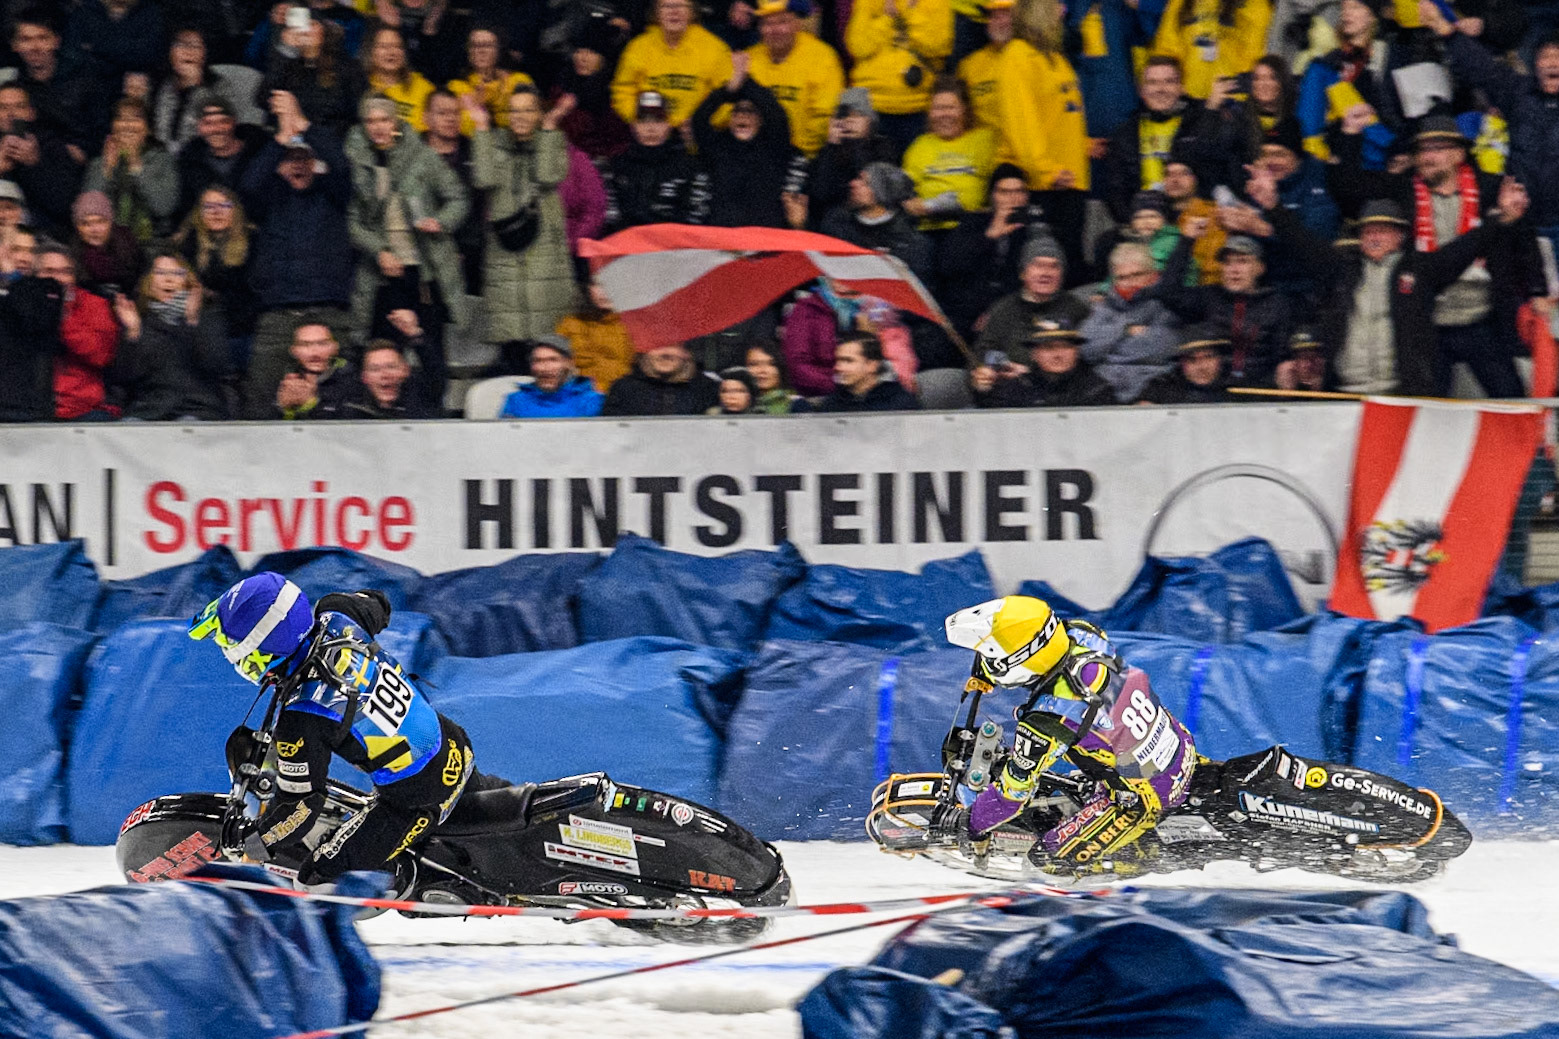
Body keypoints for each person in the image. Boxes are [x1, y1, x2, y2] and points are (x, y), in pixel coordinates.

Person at [188, 573, 493, 886]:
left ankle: (402, 879)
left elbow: (300, 810)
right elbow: (379, 602)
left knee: (313, 878)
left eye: (232, 647)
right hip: (453, 744)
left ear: (263, 647)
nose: (231, 656)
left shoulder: (302, 715)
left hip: (417, 800)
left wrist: (251, 844)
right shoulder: (338, 612)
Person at [937, 595, 1197, 874]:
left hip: (1145, 799)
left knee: (1042, 865)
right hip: (1178, 744)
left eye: (993, 659)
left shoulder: (1046, 720)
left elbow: (1010, 797)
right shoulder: (1082, 634)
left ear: (1019, 662)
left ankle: (1137, 860)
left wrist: (969, 825)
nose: (988, 664)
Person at [1251, 167, 1532, 396]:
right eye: (1368, 230)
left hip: (1401, 397)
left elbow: (1464, 248)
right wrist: (1273, 207)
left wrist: (1500, 218)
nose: (1374, 236)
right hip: (1344, 394)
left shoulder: (1421, 270)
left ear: (1401, 236)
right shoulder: (1339, 268)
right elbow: (1301, 242)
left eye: (1384, 230)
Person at [346, 95, 469, 405]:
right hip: (381, 276)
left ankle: (429, 414)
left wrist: (439, 222)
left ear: (396, 123)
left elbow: (458, 198)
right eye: (371, 121)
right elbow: (353, 222)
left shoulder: (423, 157)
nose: (378, 127)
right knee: (380, 355)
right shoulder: (360, 162)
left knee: (429, 353)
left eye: (384, 120)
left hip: (423, 273)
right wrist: (378, 251)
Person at [238, 95, 353, 419]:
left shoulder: (332, 193)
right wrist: (279, 141)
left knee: (341, 396)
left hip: (329, 309)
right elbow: (247, 185)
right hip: (278, 313)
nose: (298, 164)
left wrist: (303, 125)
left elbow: (341, 164)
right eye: (290, 159)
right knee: (261, 398)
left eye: (305, 159)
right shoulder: (268, 197)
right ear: (279, 164)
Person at [470, 88, 576, 372]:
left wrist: (551, 128)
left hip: (544, 254)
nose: (520, 117)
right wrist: (481, 128)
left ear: (539, 114)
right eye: (514, 110)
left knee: (547, 341)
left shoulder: (553, 142)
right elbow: (482, 178)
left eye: (528, 110)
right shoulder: (493, 142)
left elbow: (547, 175)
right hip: (504, 254)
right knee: (512, 345)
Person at [994, 0, 1089, 278]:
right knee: (1040, 269)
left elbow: (1061, 115)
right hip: (1044, 184)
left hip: (1071, 180)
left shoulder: (1055, 57)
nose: (1062, 11)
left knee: (1068, 268)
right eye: (1055, 5)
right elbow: (1021, 122)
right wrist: (1046, 170)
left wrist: (1084, 146)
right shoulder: (1017, 56)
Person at [1100, 56, 1230, 225]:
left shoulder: (1201, 123)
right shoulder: (1124, 133)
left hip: (1195, 219)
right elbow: (1115, 191)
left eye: (1169, 81)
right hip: (1144, 223)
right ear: (1141, 90)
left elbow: (1214, 173)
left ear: (1181, 87)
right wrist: (1137, 222)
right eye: (1152, 82)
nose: (1160, 89)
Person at [1156, 225, 1292, 387]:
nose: (1234, 270)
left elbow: (1282, 355)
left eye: (1242, 261)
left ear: (1260, 268)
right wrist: (1186, 242)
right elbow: (1167, 293)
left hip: (1258, 390)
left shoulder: (1276, 303)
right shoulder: (1209, 296)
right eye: (1227, 263)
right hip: (1212, 387)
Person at [107, 250, 230, 421]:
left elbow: (217, 365)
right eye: (160, 273)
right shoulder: (139, 320)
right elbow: (123, 379)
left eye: (177, 273)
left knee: (186, 426)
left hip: (198, 409)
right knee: (129, 426)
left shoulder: (208, 316)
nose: (168, 279)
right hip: (151, 409)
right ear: (149, 283)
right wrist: (134, 333)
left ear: (188, 282)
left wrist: (192, 321)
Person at [937, 163, 1052, 337]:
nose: (1013, 198)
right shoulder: (973, 223)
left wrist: (998, 313)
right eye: (1004, 192)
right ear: (992, 196)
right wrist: (990, 236)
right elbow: (948, 266)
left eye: (1020, 191)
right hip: (966, 312)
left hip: (1015, 310)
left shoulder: (1034, 230)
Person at [692, 54, 795, 228]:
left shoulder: (773, 147)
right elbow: (699, 119)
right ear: (730, 119)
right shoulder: (717, 146)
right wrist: (727, 91)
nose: (742, 115)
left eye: (750, 112)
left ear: (761, 120)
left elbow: (777, 115)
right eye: (737, 111)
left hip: (764, 239)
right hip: (723, 240)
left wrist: (746, 80)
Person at [843, 0, 953, 153]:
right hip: (872, 106)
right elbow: (858, 46)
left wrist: (908, 12)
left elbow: (938, 44)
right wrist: (887, 18)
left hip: (917, 107)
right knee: (871, 173)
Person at [1078, 241, 1181, 401]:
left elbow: (1164, 350)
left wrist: (1110, 350)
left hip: (1156, 388)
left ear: (1153, 275)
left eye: (1137, 275)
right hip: (1106, 390)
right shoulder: (1103, 307)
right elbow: (1087, 351)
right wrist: (1125, 330)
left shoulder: (1168, 305)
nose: (1130, 283)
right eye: (1122, 277)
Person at [610, 0, 735, 126]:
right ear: (656, 12)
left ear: (692, 12)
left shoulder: (715, 48)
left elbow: (729, 98)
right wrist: (640, 120)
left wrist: (705, 125)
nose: (674, 11)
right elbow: (622, 91)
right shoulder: (638, 47)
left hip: (700, 137)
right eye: (666, 6)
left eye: (681, 5)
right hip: (650, 134)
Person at [744, 0, 845, 157]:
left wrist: (798, 151)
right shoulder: (748, 59)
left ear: (797, 24)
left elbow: (824, 116)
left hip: (803, 156)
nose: (775, 30)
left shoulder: (823, 57)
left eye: (782, 22)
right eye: (767, 24)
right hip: (753, 154)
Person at [972, 235, 1090, 364]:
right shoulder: (1003, 309)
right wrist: (1002, 366)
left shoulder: (1076, 309)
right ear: (1023, 273)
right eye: (1038, 265)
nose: (1046, 273)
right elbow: (982, 355)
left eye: (1054, 266)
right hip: (1013, 381)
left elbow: (1088, 355)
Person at [900, 76, 997, 230]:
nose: (944, 114)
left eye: (951, 107)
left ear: (965, 110)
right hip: (927, 228)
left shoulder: (984, 140)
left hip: (970, 225)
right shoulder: (920, 145)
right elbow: (904, 189)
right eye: (938, 108)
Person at [603, 90, 706, 230]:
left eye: (658, 120)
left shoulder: (689, 166)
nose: (651, 128)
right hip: (626, 245)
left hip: (676, 247)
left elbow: (696, 219)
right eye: (643, 120)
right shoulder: (615, 166)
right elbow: (610, 219)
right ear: (634, 126)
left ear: (668, 124)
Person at [40, 243, 120, 421]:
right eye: (49, 271)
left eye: (65, 272)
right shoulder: (22, 306)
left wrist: (64, 317)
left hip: (84, 407)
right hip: (35, 405)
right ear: (35, 275)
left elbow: (101, 355)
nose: (59, 279)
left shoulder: (94, 305)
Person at [83, 98, 178, 242]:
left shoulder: (162, 160)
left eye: (135, 118)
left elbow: (164, 207)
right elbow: (88, 210)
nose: (127, 125)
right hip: (108, 245)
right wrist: (106, 169)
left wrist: (136, 165)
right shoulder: (99, 163)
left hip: (151, 244)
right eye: (121, 119)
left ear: (148, 129)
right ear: (113, 127)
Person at [818, 161, 931, 282]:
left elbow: (919, 288)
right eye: (857, 178)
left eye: (865, 183)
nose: (853, 183)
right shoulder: (837, 224)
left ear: (882, 193)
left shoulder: (909, 240)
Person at [0, 82, 83, 238]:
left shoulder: (52, 147)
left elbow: (65, 207)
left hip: (43, 239)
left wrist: (35, 164)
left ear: (31, 112)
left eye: (18, 106)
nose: (10, 113)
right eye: (3, 107)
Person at [0, 228, 64, 421]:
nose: (23, 257)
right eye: (16, 249)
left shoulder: (49, 290)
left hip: (28, 406)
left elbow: (32, 319)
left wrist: (13, 278)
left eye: (30, 251)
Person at [1149, 0, 1270, 101]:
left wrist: (1233, 91)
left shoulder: (1254, 4)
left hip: (1230, 102)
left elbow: (1254, 54)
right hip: (1187, 99)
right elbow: (1166, 49)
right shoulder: (1180, 3)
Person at [970, 323, 1116, 407]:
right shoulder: (1018, 387)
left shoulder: (1098, 389)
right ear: (1034, 354)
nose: (1058, 355)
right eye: (1048, 348)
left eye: (1065, 347)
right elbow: (991, 416)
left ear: (1076, 351)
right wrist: (982, 389)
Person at [176, 98, 267, 221]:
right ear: (199, 127)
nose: (216, 129)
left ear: (234, 122)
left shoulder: (261, 150)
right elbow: (187, 206)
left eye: (223, 121)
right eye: (208, 123)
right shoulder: (190, 160)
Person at [446, 26, 535, 136]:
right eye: (475, 45)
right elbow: (462, 130)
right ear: (468, 51)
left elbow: (530, 120)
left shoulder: (519, 81)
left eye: (487, 45)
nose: (481, 51)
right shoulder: (456, 87)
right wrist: (478, 106)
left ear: (499, 50)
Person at [601, 341, 722, 415]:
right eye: (657, 346)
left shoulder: (707, 388)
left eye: (672, 346)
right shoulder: (624, 388)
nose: (665, 353)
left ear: (686, 353)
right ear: (645, 351)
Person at [499, 335, 605, 417]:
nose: (545, 368)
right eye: (538, 360)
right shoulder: (516, 401)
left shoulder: (592, 402)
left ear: (569, 363)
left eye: (553, 360)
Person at [812, 332, 921, 411]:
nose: (838, 367)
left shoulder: (901, 404)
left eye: (848, 361)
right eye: (838, 361)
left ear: (872, 365)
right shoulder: (832, 402)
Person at [273, 320, 355, 420]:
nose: (314, 352)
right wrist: (283, 408)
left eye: (322, 343)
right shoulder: (276, 380)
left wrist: (310, 404)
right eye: (305, 344)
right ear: (293, 350)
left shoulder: (352, 381)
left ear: (335, 347)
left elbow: (348, 428)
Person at [70, 189, 144, 297]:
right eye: (86, 223)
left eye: (101, 221)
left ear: (111, 222)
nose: (94, 229)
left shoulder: (131, 249)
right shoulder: (71, 258)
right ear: (77, 228)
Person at [362, 24, 437, 131]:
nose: (391, 52)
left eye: (397, 46)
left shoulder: (423, 88)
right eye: (384, 46)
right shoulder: (360, 85)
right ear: (371, 52)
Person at [1135, 325, 1234, 403]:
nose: (1202, 367)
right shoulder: (1159, 391)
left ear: (1220, 359)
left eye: (1209, 357)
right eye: (1192, 360)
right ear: (1181, 363)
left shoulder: (1238, 388)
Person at [342, 339, 438, 419]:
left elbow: (436, 374)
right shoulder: (350, 413)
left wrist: (416, 335)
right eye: (375, 369)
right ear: (364, 378)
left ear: (406, 371)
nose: (384, 375)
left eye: (391, 367)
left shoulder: (422, 405)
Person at [955, 0, 1012, 131]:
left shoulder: (1032, 59)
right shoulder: (969, 65)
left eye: (1006, 14)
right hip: (982, 143)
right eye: (994, 16)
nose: (1000, 22)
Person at [745, 340, 805, 412]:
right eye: (754, 364)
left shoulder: (796, 405)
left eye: (771, 364)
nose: (762, 370)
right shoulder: (735, 405)